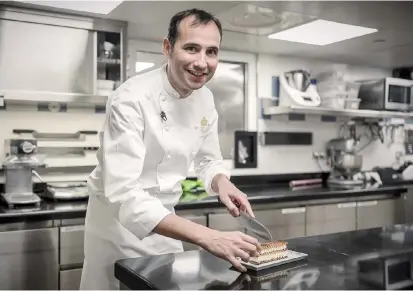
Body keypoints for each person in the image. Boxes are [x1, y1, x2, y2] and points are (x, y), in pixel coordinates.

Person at [79, 8, 261, 290]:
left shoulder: (206, 98)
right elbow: (124, 194)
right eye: (191, 48)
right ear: (168, 47)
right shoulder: (130, 99)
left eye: (212, 52)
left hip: (166, 219)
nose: (202, 62)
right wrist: (207, 236)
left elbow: (208, 160)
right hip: (117, 225)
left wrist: (222, 182)